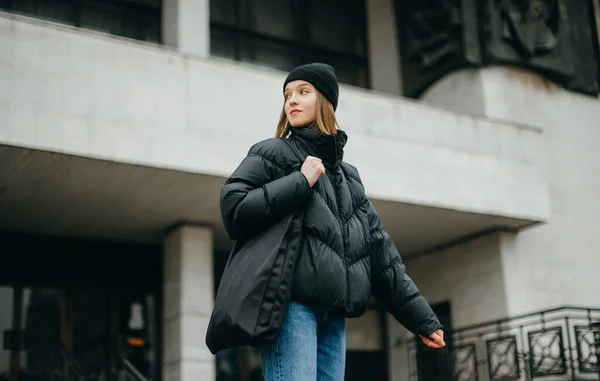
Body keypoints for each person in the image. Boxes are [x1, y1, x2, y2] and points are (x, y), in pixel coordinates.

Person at [219, 63, 445, 381]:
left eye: (303, 92)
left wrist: (422, 320)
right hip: (290, 309)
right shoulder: (273, 152)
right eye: (287, 95)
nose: (292, 101)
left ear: (325, 100)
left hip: (333, 316)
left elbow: (381, 256)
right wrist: (299, 181)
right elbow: (234, 208)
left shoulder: (348, 178)